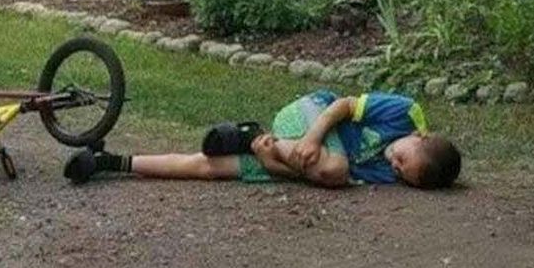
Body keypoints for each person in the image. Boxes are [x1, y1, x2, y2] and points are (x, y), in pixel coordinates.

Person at [63, 90, 462, 190]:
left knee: (209, 168)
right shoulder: (405, 113)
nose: (394, 167)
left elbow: (317, 177)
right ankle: (253, 134)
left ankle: (109, 161)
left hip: (292, 156)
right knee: (337, 168)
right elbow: (341, 105)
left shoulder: (391, 175)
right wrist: (312, 137)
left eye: (402, 175)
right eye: (403, 160)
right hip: (312, 116)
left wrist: (275, 164)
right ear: (420, 136)